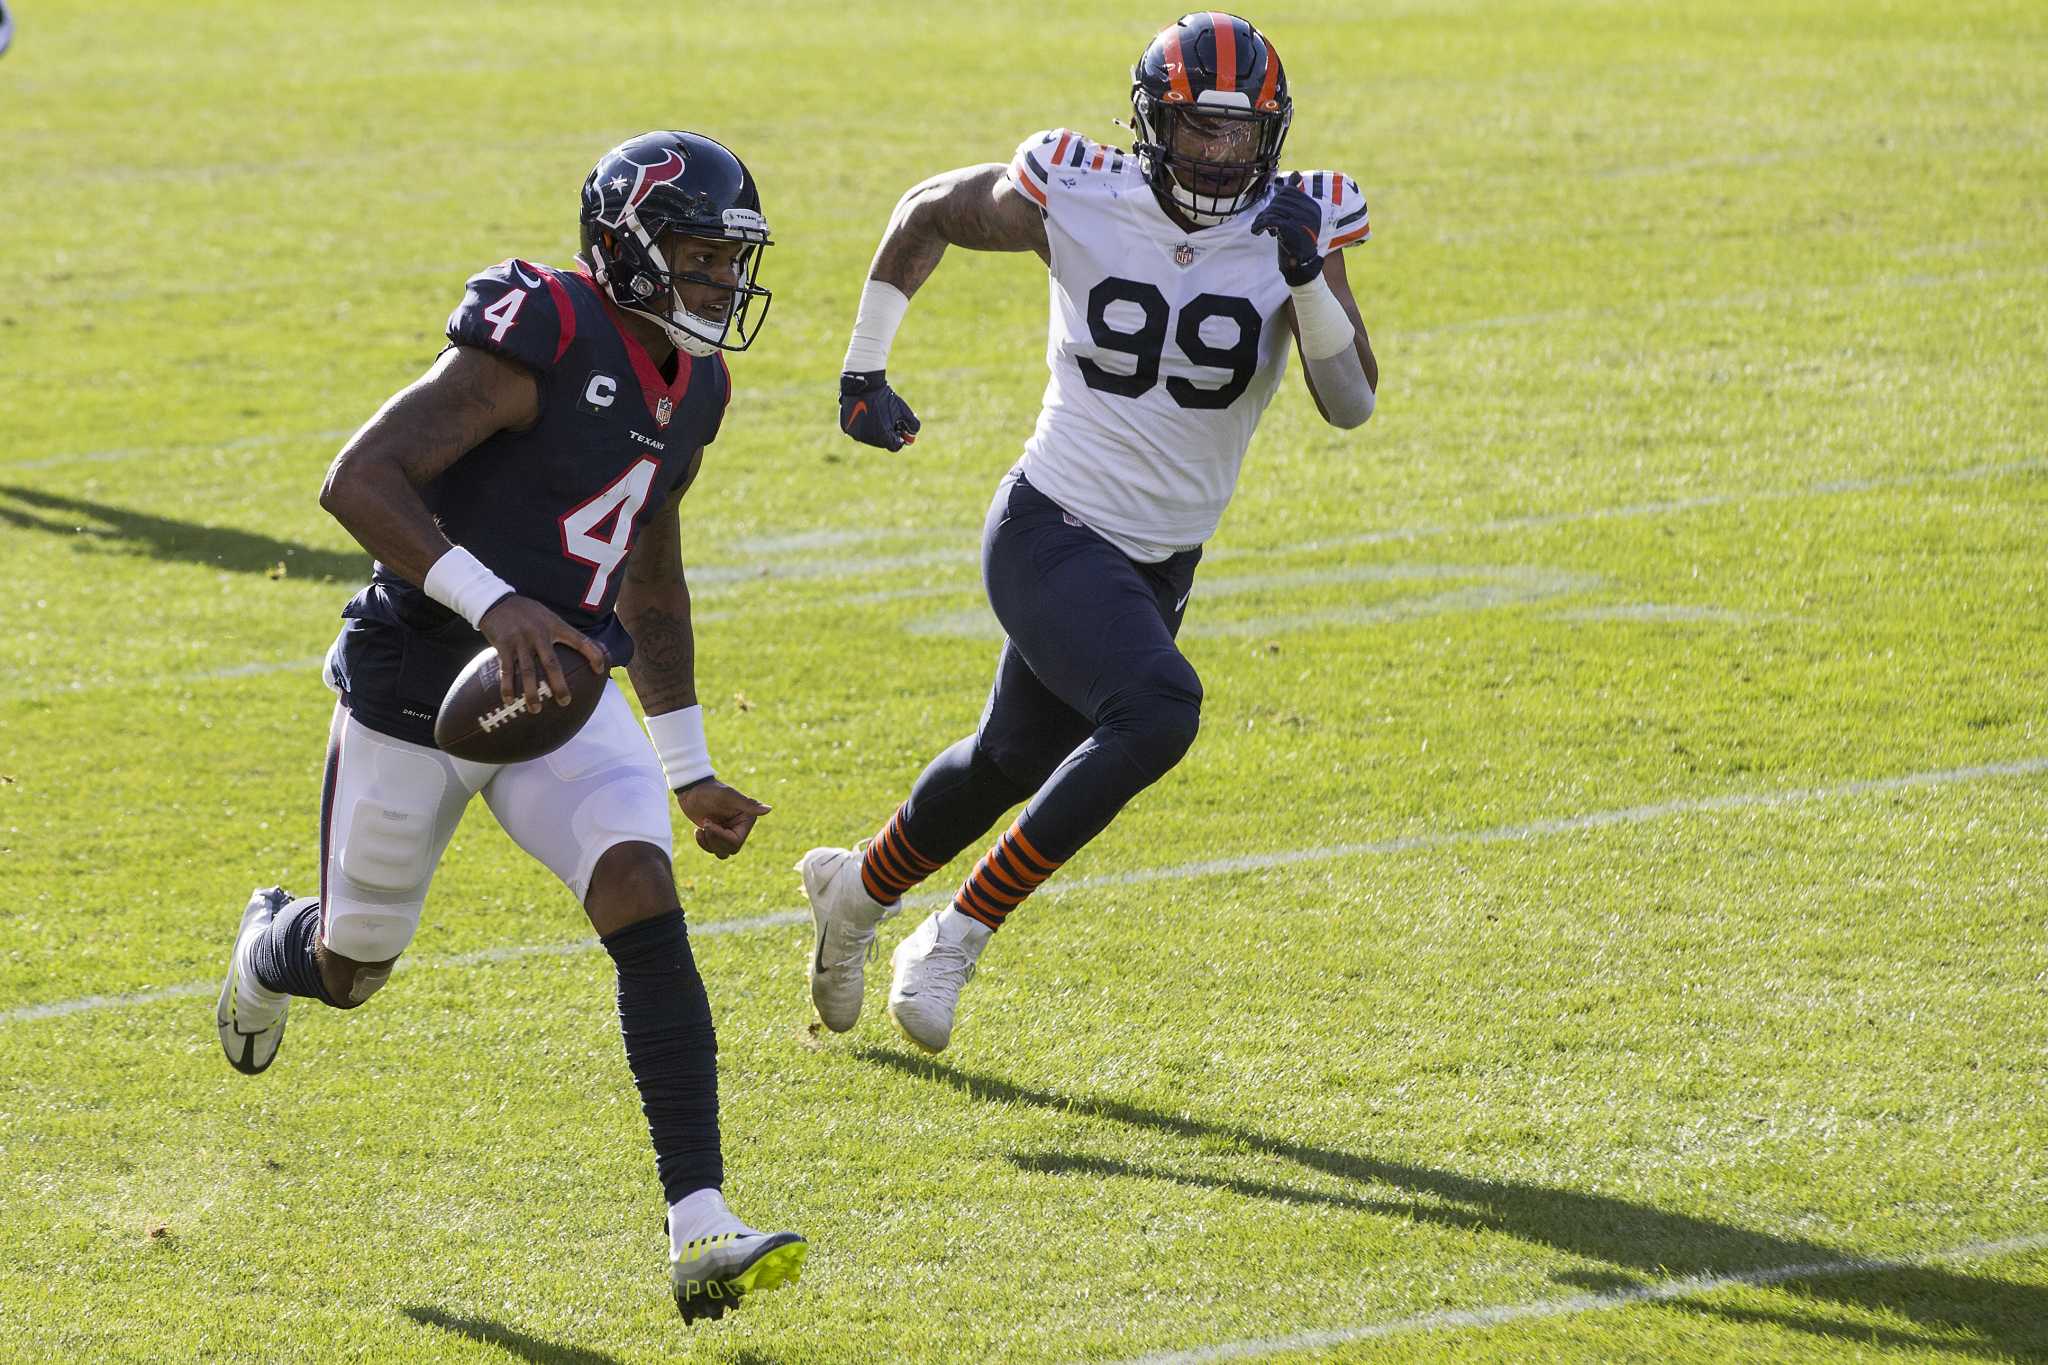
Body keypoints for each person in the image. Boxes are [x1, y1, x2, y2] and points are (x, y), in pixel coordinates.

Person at [213, 131, 805, 1321]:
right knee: (354, 965)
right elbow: (358, 479)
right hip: (416, 682)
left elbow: (649, 569)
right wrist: (497, 604)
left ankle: (700, 1225)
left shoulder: (700, 390)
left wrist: (686, 768)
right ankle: (269, 950)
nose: (719, 288)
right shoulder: (541, 331)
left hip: (563, 688)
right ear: (626, 253)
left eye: (727, 263)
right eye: (694, 259)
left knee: (639, 886)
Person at [801, 13, 1377, 1053]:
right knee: (1157, 710)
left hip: (1162, 557)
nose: (1218, 151)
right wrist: (862, 366)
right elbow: (924, 209)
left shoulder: (1302, 221)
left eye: (1240, 132)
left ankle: (853, 892)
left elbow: (1349, 404)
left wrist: (1304, 280)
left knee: (1005, 758)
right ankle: (956, 932)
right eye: (1198, 127)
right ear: (1153, 122)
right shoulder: (1075, 188)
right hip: (1049, 524)